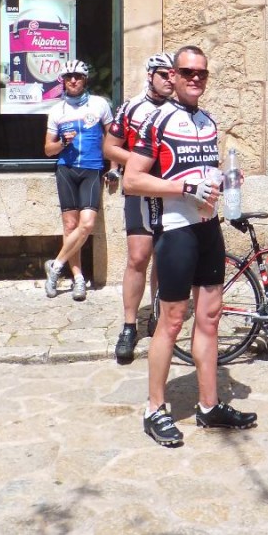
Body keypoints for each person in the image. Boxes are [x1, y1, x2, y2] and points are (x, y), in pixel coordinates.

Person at [123, 45, 257, 447]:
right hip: (176, 229)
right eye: (187, 71)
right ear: (174, 76)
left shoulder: (209, 122)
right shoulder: (158, 120)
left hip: (208, 228)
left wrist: (223, 179)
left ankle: (209, 405)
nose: (195, 78)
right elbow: (132, 180)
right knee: (173, 320)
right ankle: (154, 409)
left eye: (202, 72)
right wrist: (185, 186)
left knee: (211, 318)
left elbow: (204, 171)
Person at [104, 53, 175, 363]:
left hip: (169, 194)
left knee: (164, 256)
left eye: (174, 74)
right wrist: (137, 165)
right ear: (149, 75)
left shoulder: (179, 110)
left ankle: (157, 315)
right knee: (137, 257)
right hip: (139, 192)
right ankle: (129, 325)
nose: (170, 80)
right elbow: (109, 147)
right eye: (163, 74)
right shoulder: (131, 107)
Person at [42, 59, 114, 303]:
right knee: (70, 227)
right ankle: (78, 278)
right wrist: (63, 143)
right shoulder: (57, 111)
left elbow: (112, 139)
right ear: (63, 81)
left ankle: (55, 265)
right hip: (66, 170)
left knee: (87, 224)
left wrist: (114, 168)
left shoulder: (100, 105)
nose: (73, 80)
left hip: (92, 169)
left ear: (85, 80)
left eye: (78, 77)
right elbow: (48, 149)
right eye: (69, 77)